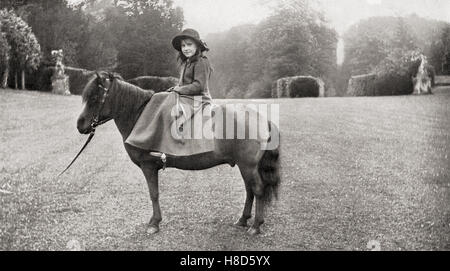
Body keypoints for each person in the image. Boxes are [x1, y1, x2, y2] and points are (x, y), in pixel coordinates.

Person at [125, 28, 215, 160]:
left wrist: (178, 90)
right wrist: (175, 88)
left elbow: (199, 86)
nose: (186, 48)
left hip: (199, 99)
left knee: (168, 106)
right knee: (157, 97)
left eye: (189, 45)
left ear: (197, 46)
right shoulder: (187, 63)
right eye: (183, 46)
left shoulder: (202, 62)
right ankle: (147, 139)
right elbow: (183, 84)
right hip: (187, 96)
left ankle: (171, 146)